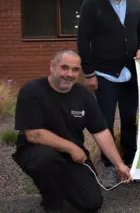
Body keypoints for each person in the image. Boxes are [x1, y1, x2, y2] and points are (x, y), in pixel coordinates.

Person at [11, 49, 131, 213]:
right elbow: (33, 134)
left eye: (75, 70)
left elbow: (101, 132)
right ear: (52, 66)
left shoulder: (83, 94)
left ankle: (60, 185)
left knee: (91, 202)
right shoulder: (32, 91)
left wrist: (119, 165)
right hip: (37, 152)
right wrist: (72, 148)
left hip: (71, 157)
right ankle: (51, 199)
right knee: (44, 160)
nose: (70, 74)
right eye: (64, 68)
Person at [76, 0, 140, 187]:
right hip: (104, 74)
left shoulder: (135, 3)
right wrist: (88, 72)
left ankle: (130, 163)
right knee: (104, 121)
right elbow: (83, 40)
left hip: (130, 75)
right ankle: (108, 167)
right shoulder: (92, 3)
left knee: (129, 120)